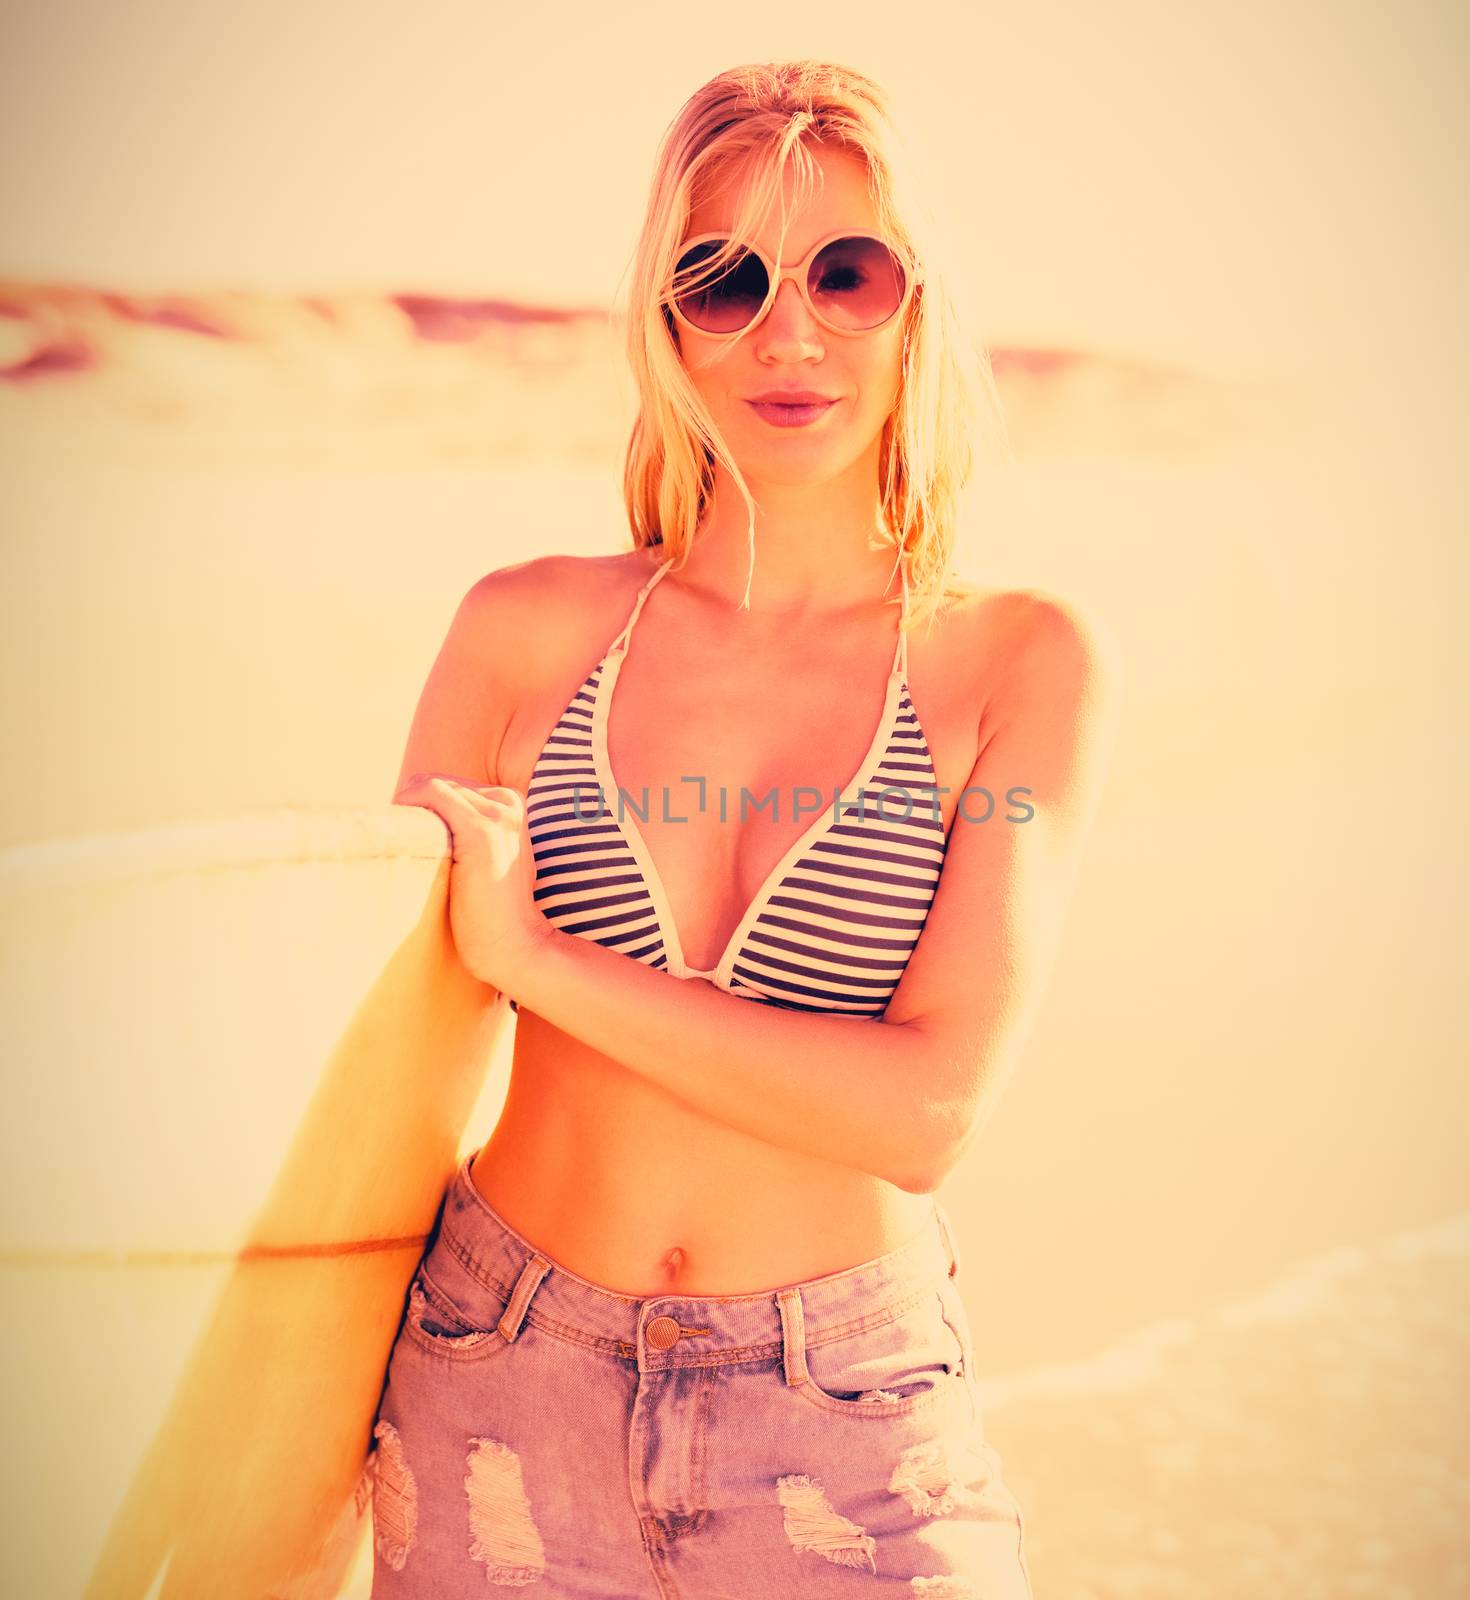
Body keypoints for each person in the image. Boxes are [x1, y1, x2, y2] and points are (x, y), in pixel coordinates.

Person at [378, 58, 1117, 1597]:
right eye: (726, 279)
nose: (790, 332)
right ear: (665, 317)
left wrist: (539, 959)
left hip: (845, 1412)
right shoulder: (523, 633)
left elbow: (925, 1116)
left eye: (847, 272)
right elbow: (380, 1089)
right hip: (497, 1379)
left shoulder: (1016, 664)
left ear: (918, 304)